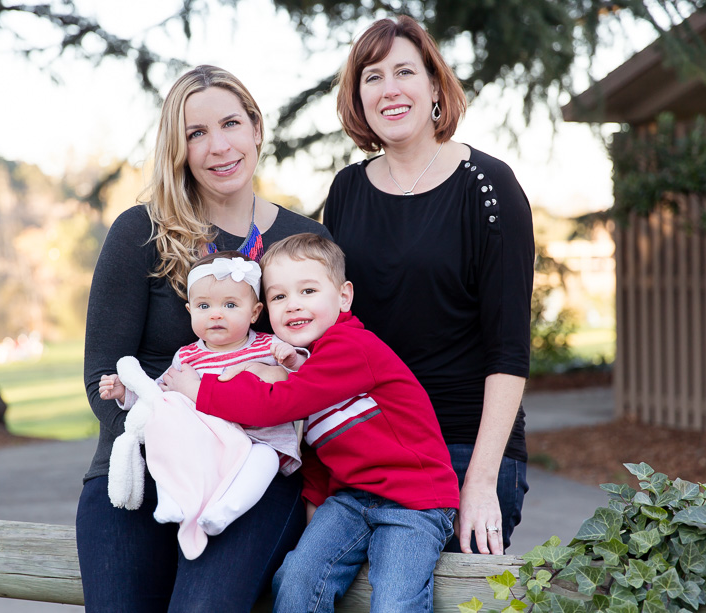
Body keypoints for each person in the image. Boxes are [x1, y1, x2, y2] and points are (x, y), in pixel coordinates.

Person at [77, 65, 330, 612]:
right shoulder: (140, 232)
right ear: (179, 149)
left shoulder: (305, 241)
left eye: (231, 123)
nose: (219, 146)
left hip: (251, 473)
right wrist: (177, 444)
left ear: (256, 128)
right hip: (144, 467)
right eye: (196, 133)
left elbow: (326, 371)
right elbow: (103, 373)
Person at [323, 16, 535, 555]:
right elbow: (332, 326)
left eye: (404, 72)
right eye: (373, 77)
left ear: (435, 86)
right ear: (359, 97)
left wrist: (480, 482)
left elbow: (509, 349)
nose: (389, 89)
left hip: (463, 448)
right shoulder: (346, 190)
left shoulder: (488, 187)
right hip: (371, 448)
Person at [162, 233, 460, 613]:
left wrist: (200, 390)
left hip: (413, 499)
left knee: (394, 599)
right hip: (350, 500)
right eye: (279, 296)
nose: (293, 305)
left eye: (308, 291)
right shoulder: (303, 363)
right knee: (296, 579)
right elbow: (316, 450)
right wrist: (315, 506)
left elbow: (279, 405)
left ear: (344, 297)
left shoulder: (350, 347)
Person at [99, 252, 306, 560]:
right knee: (168, 435)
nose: (216, 315)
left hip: (259, 439)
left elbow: (303, 380)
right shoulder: (187, 357)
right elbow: (157, 393)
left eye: (230, 305)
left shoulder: (268, 345)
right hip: (207, 445)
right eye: (204, 306)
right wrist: (124, 393)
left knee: (266, 461)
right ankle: (174, 501)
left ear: (254, 312)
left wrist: (291, 359)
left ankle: (224, 511)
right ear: (190, 310)